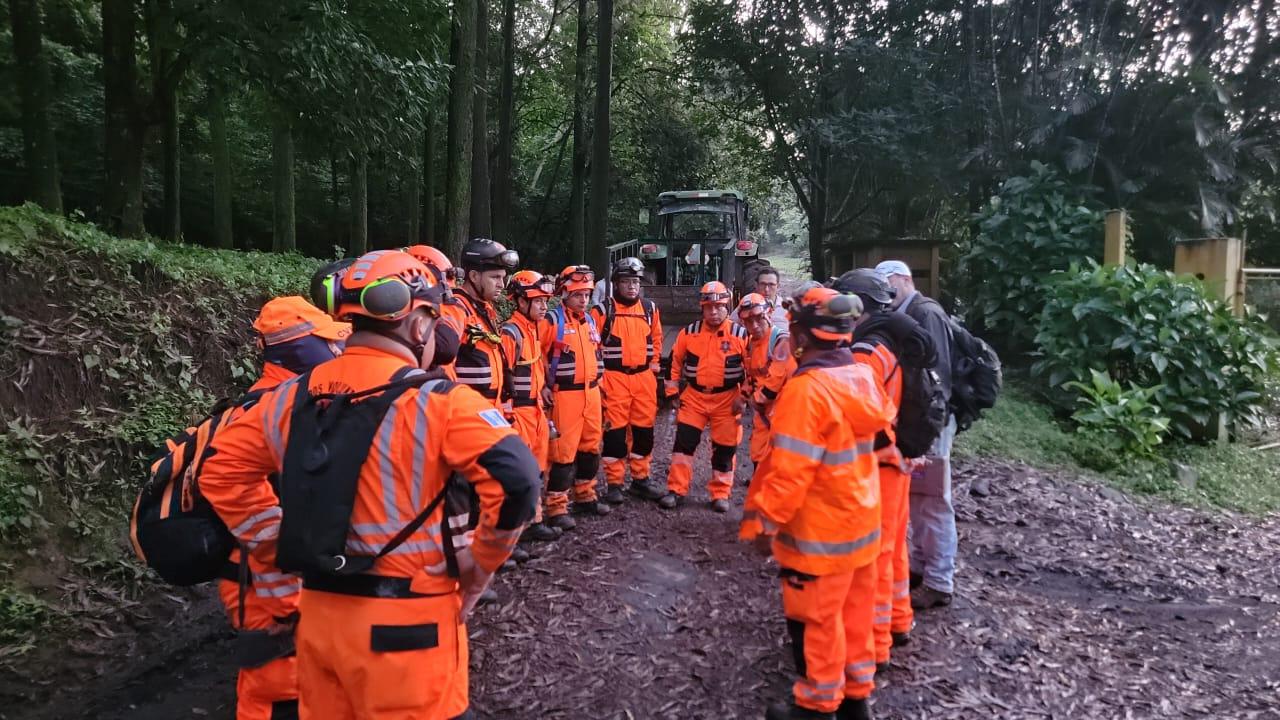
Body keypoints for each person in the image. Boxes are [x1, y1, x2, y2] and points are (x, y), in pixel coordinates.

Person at [201, 250, 540, 720]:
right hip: (409, 634)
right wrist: (480, 569)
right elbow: (518, 479)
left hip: (319, 625)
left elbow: (219, 470)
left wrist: (272, 542)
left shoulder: (287, 397)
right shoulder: (441, 402)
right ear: (419, 325)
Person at [745, 287, 895, 720]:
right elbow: (884, 438)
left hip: (818, 535)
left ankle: (816, 706)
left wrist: (764, 524)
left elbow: (789, 473)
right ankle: (855, 699)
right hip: (862, 524)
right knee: (854, 616)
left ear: (801, 337)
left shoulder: (805, 392)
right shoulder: (863, 376)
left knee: (815, 622)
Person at [218, 293, 350, 720]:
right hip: (264, 585)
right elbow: (240, 496)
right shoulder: (267, 411)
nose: (337, 349)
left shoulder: (293, 402)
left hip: (281, 582)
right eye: (328, 343)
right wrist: (290, 599)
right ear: (300, 349)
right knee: (277, 691)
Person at [833, 269, 918, 669]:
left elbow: (865, 418)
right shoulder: (892, 341)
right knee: (895, 547)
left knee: (875, 557)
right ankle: (898, 621)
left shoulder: (867, 353)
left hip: (880, 465)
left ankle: (875, 644)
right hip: (896, 462)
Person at [874, 260, 956, 610]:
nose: (887, 292)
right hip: (917, 422)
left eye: (890, 283)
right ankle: (922, 567)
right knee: (918, 497)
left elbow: (935, 378)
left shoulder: (926, 314)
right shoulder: (907, 314)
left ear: (905, 279)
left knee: (933, 500)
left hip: (929, 423)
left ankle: (940, 580)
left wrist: (920, 430)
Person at [660, 281, 750, 513]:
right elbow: (674, 364)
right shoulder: (688, 333)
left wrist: (745, 396)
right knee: (683, 445)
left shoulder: (741, 335)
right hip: (695, 398)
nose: (713, 311)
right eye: (709, 307)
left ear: (727, 306)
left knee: (725, 448)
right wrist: (672, 392)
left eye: (719, 307)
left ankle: (720, 493)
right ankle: (676, 490)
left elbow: (753, 369)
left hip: (727, 400)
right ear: (702, 308)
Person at [590, 257, 665, 503]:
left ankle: (641, 479)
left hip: (643, 379)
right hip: (614, 378)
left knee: (644, 432)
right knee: (614, 434)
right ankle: (614, 483)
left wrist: (653, 368)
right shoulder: (603, 310)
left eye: (635, 282)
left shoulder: (649, 309)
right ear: (616, 284)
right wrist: (599, 377)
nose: (632, 287)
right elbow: (592, 345)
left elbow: (656, 339)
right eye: (626, 282)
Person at [542, 265, 610, 519]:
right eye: (577, 295)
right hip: (565, 395)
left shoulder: (590, 320)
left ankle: (585, 496)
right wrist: (542, 387)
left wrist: (601, 389)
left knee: (591, 447)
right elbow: (536, 355)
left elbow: (597, 355)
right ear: (565, 294)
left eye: (586, 295)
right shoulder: (552, 320)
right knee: (562, 451)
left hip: (591, 394)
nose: (583, 300)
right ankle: (557, 507)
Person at [501, 270, 561, 541]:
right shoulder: (510, 333)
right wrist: (507, 414)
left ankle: (534, 520)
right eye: (538, 301)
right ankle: (515, 529)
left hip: (535, 410)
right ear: (521, 301)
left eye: (545, 301)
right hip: (519, 412)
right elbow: (503, 376)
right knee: (519, 471)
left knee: (537, 468)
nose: (543, 306)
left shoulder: (534, 330)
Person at [453, 238, 520, 406]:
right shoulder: (456, 309)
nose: (502, 285)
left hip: (491, 410)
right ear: (474, 276)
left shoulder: (485, 310)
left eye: (503, 277)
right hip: (467, 414)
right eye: (495, 277)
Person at [737, 292, 795, 477]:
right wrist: (743, 396)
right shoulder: (751, 344)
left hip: (781, 406)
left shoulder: (780, 340)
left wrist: (758, 399)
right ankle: (759, 481)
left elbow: (776, 377)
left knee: (783, 450)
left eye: (758, 319)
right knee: (758, 448)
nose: (754, 326)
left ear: (768, 313)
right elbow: (753, 374)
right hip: (762, 409)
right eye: (748, 322)